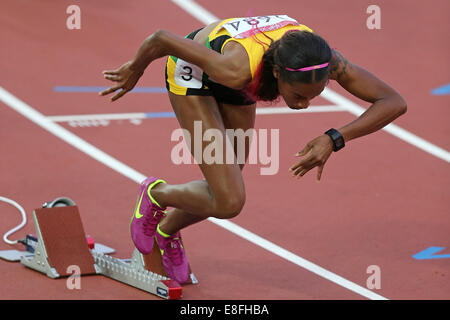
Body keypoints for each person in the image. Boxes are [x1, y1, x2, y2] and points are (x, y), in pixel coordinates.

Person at [99, 15, 407, 284]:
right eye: (298, 95)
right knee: (229, 201)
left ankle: (166, 232)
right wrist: (135, 69)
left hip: (239, 78)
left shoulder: (325, 63)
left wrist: (334, 137)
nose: (303, 105)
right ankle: (156, 194)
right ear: (276, 74)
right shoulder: (237, 69)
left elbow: (393, 102)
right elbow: (161, 39)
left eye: (314, 95)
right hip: (193, 72)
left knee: (223, 189)